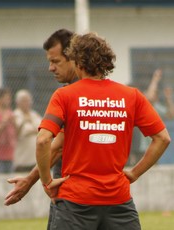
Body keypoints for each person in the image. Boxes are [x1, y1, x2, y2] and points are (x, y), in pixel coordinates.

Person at [36, 32, 171, 230]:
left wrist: (47, 181)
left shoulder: (64, 95)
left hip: (75, 202)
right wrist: (133, 173)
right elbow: (162, 138)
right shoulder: (131, 96)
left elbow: (42, 140)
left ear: (77, 61)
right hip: (118, 203)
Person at [4, 28, 76, 229]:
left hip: (70, 195)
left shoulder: (68, 96)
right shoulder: (112, 94)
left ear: (74, 58)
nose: (50, 68)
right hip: (111, 198)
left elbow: (50, 144)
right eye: (49, 62)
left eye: (56, 61)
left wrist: (38, 181)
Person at [13, 89, 42, 172]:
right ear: (18, 102)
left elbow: (42, 129)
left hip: (35, 159)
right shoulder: (15, 114)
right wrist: (34, 130)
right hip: (22, 159)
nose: (27, 103)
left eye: (28, 101)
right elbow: (20, 133)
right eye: (24, 101)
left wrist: (31, 131)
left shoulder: (34, 114)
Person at [0, 87, 17, 174]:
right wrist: (4, 122)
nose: (9, 101)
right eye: (6, 99)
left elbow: (17, 133)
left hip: (9, 154)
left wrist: (15, 123)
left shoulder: (10, 113)